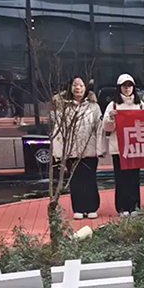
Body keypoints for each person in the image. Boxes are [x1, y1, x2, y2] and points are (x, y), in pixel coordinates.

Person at [51, 76, 104, 220]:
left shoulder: (93, 106)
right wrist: (59, 152)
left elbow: (99, 129)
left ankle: (92, 207)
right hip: (71, 150)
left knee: (90, 179)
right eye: (75, 85)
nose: (78, 88)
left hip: (89, 149)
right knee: (75, 180)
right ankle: (78, 208)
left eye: (81, 85)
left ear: (86, 88)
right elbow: (59, 130)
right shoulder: (63, 107)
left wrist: (100, 149)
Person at [103, 73, 144, 216]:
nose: (127, 89)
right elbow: (106, 128)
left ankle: (134, 206)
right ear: (119, 88)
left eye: (130, 86)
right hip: (118, 148)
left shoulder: (140, 104)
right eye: (124, 86)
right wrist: (111, 118)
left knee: (134, 178)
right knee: (121, 178)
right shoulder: (113, 105)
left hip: (135, 148)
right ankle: (122, 207)